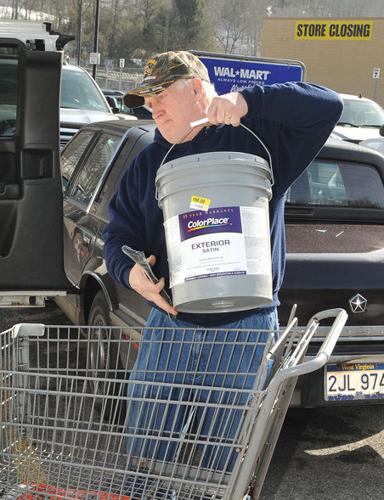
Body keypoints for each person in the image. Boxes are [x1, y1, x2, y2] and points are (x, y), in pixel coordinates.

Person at [103, 51, 343, 489]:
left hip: (245, 330)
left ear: (197, 88)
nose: (152, 107)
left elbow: (327, 105)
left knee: (224, 464)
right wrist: (129, 272)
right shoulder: (148, 160)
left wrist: (247, 100)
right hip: (170, 327)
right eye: (147, 99)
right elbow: (118, 236)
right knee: (145, 456)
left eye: (161, 95)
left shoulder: (257, 137)